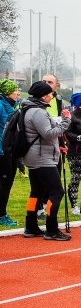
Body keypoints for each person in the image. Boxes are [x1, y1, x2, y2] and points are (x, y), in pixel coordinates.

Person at [21, 81, 72, 240]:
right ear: (44, 96)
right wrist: (66, 121)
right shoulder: (38, 112)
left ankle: (31, 226)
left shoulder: (29, 109)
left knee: (36, 192)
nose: (52, 96)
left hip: (35, 156)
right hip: (42, 159)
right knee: (56, 192)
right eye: (50, 94)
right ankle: (51, 228)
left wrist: (58, 147)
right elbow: (48, 133)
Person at [0, 79, 21, 226]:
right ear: (8, 92)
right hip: (2, 151)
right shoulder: (1, 106)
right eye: (15, 90)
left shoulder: (13, 106)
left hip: (12, 149)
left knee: (8, 183)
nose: (18, 92)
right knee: (4, 183)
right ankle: (1, 215)